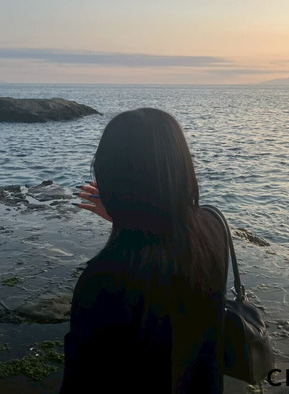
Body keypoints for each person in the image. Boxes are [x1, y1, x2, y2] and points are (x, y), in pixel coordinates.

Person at [60, 108, 229, 393]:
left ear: (109, 176)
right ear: (181, 166)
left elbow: (81, 380)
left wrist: (126, 217)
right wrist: (127, 218)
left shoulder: (104, 279)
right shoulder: (213, 226)